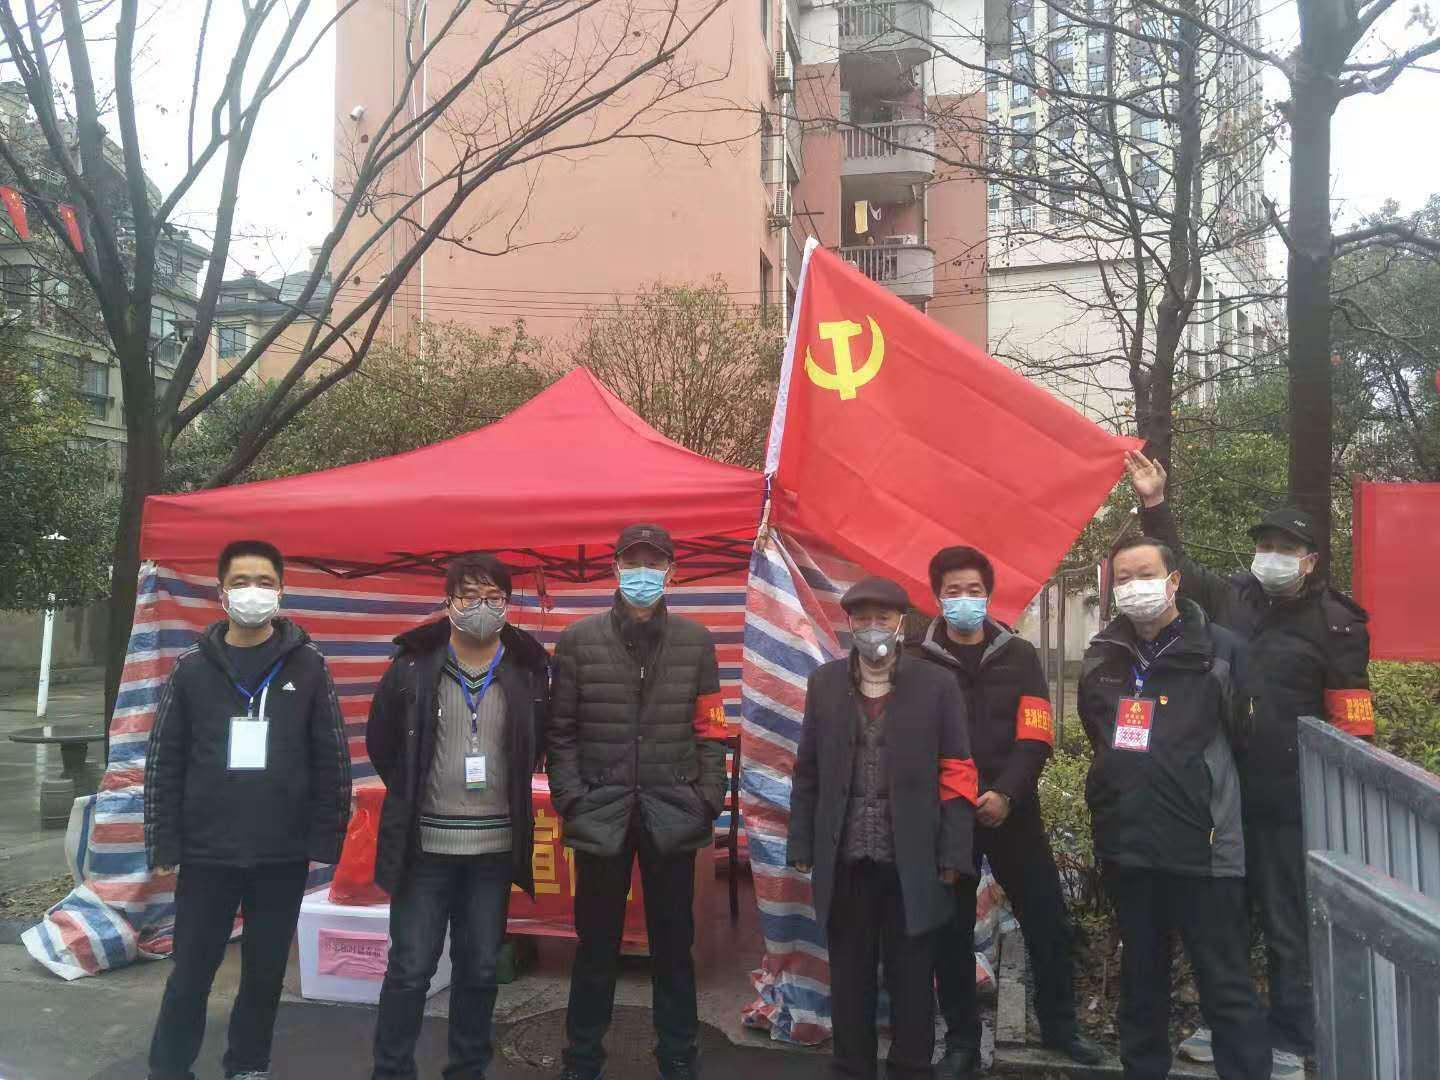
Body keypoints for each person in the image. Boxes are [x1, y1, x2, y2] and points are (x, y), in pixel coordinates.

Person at [1126, 451, 1372, 1077]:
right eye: (1265, 545)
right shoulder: (1235, 598)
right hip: (1223, 796)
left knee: (1288, 923)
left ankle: (1291, 1034)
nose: (1272, 556)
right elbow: (1181, 572)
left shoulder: (1337, 624)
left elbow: (1354, 722)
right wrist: (1155, 505)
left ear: (1310, 560)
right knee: (1224, 917)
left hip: (1290, 800)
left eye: (1285, 548)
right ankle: (1227, 1022)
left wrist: (1343, 803)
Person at [144, 539, 352, 1080]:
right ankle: (169, 1068)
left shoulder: (309, 665)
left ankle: (248, 1065)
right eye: (240, 582)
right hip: (206, 851)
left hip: (281, 852)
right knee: (191, 973)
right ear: (221, 593)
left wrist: (325, 839)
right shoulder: (191, 668)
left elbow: (331, 757)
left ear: (281, 592)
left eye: (264, 582)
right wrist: (163, 842)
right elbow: (164, 760)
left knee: (263, 974)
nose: (252, 592)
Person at [1079, 535, 1271, 1080]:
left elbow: (1250, 739)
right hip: (1129, 846)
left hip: (1203, 849)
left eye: (1145, 574)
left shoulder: (1222, 652)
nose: (1134, 587)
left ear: (1173, 581)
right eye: (1123, 578)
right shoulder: (1103, 655)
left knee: (1225, 984)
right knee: (1141, 982)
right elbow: (1100, 735)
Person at [909, 547, 1102, 1079]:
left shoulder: (1019, 654)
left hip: (1013, 810)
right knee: (950, 930)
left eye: (973, 590)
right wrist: (953, 796)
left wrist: (1006, 794)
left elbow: (1036, 733)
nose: (964, 599)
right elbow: (912, 738)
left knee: (1047, 919)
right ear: (937, 596)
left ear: (989, 595)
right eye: (953, 590)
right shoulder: (916, 659)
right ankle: (962, 1043)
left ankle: (1060, 1027)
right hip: (947, 816)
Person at [547, 524, 728, 1080]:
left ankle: (678, 1056)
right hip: (600, 815)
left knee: (674, 947)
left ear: (672, 571)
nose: (642, 574)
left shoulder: (696, 642)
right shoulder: (577, 641)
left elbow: (711, 729)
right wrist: (572, 799)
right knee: (595, 946)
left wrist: (707, 799)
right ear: (615, 569)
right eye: (633, 563)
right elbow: (561, 732)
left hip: (673, 814)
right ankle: (582, 1059)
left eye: (654, 563)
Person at [366, 553, 551, 1080]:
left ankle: (468, 1069)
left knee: (481, 968)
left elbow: (540, 741)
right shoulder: (412, 667)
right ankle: (391, 1071)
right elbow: (382, 742)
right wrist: (414, 793)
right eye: (469, 595)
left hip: (493, 850)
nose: (481, 606)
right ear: (448, 603)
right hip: (425, 846)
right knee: (410, 969)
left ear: (508, 604)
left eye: (494, 597)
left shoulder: (527, 670)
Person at [788, 575, 978, 1080]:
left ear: (900, 624)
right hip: (846, 860)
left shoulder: (937, 685)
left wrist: (954, 853)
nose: (873, 627)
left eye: (883, 618)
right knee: (849, 980)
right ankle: (851, 1068)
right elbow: (807, 770)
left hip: (912, 861)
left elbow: (958, 771)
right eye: (863, 618)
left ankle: (911, 1069)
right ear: (849, 623)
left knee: (912, 979)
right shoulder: (824, 683)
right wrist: (801, 841)